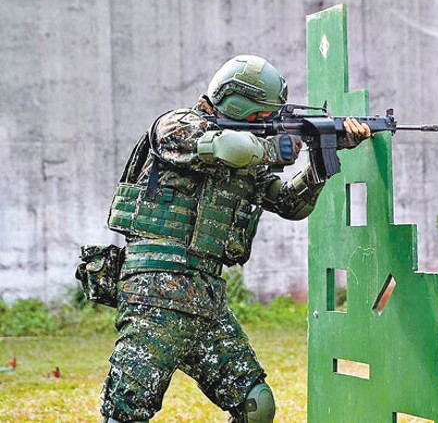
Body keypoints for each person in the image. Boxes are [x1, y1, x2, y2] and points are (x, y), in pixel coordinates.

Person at [101, 54, 370, 422]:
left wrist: (322, 160)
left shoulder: (251, 159)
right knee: (126, 413)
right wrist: (277, 148)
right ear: (237, 102)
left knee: (255, 406)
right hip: (157, 292)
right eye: (262, 114)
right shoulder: (177, 126)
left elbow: (291, 204)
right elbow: (228, 149)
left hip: (205, 297)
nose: (269, 122)